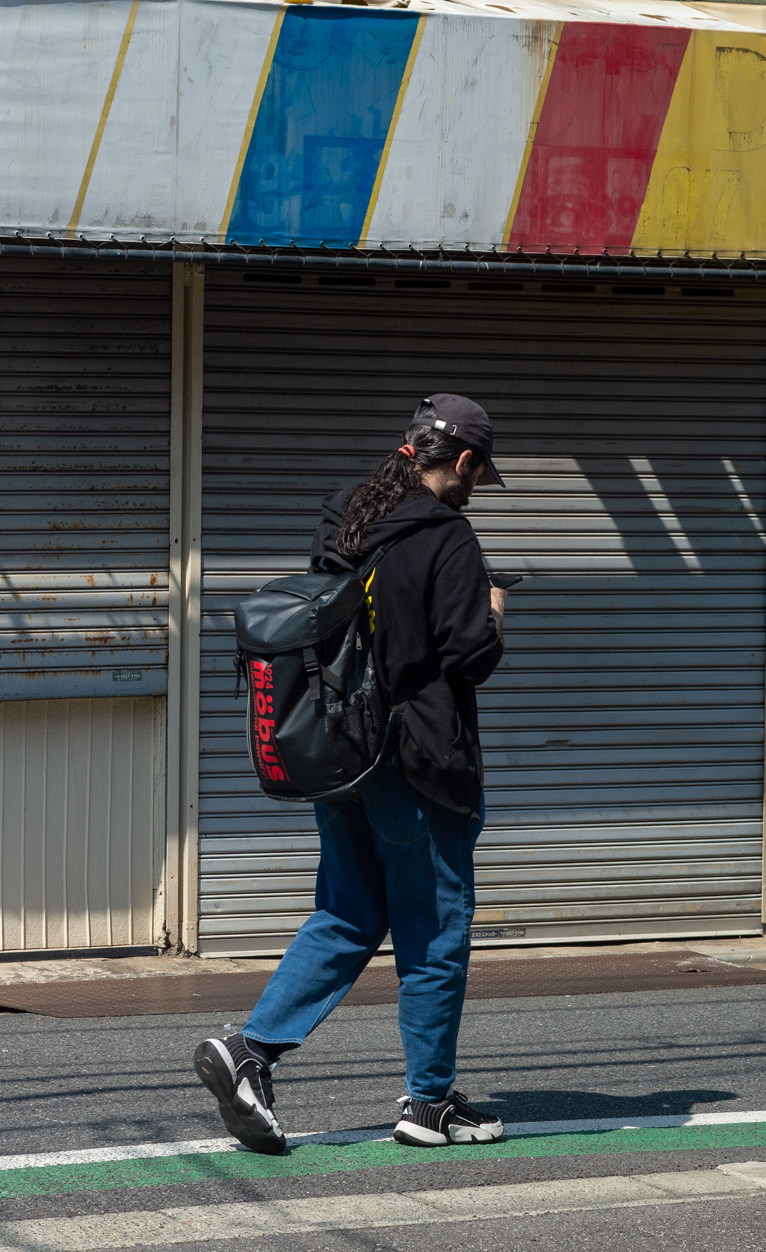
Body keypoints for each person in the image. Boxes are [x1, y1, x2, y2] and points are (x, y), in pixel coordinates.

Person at [194, 393, 510, 1155]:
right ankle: (428, 1103)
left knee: (347, 914)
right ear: (461, 462)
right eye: (477, 471)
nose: (474, 485)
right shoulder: (450, 538)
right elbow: (469, 656)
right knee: (434, 934)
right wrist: (494, 611)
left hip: (344, 757)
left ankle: (251, 1052)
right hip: (419, 765)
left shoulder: (346, 518)